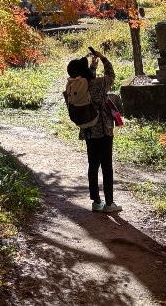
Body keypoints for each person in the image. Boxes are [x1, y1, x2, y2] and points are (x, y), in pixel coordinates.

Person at [66, 49, 122, 213]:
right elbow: (111, 74)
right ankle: (109, 203)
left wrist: (92, 67)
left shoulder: (75, 86)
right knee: (107, 166)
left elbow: (87, 80)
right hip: (103, 129)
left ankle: (96, 202)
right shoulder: (99, 84)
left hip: (88, 129)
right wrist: (103, 58)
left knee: (93, 165)